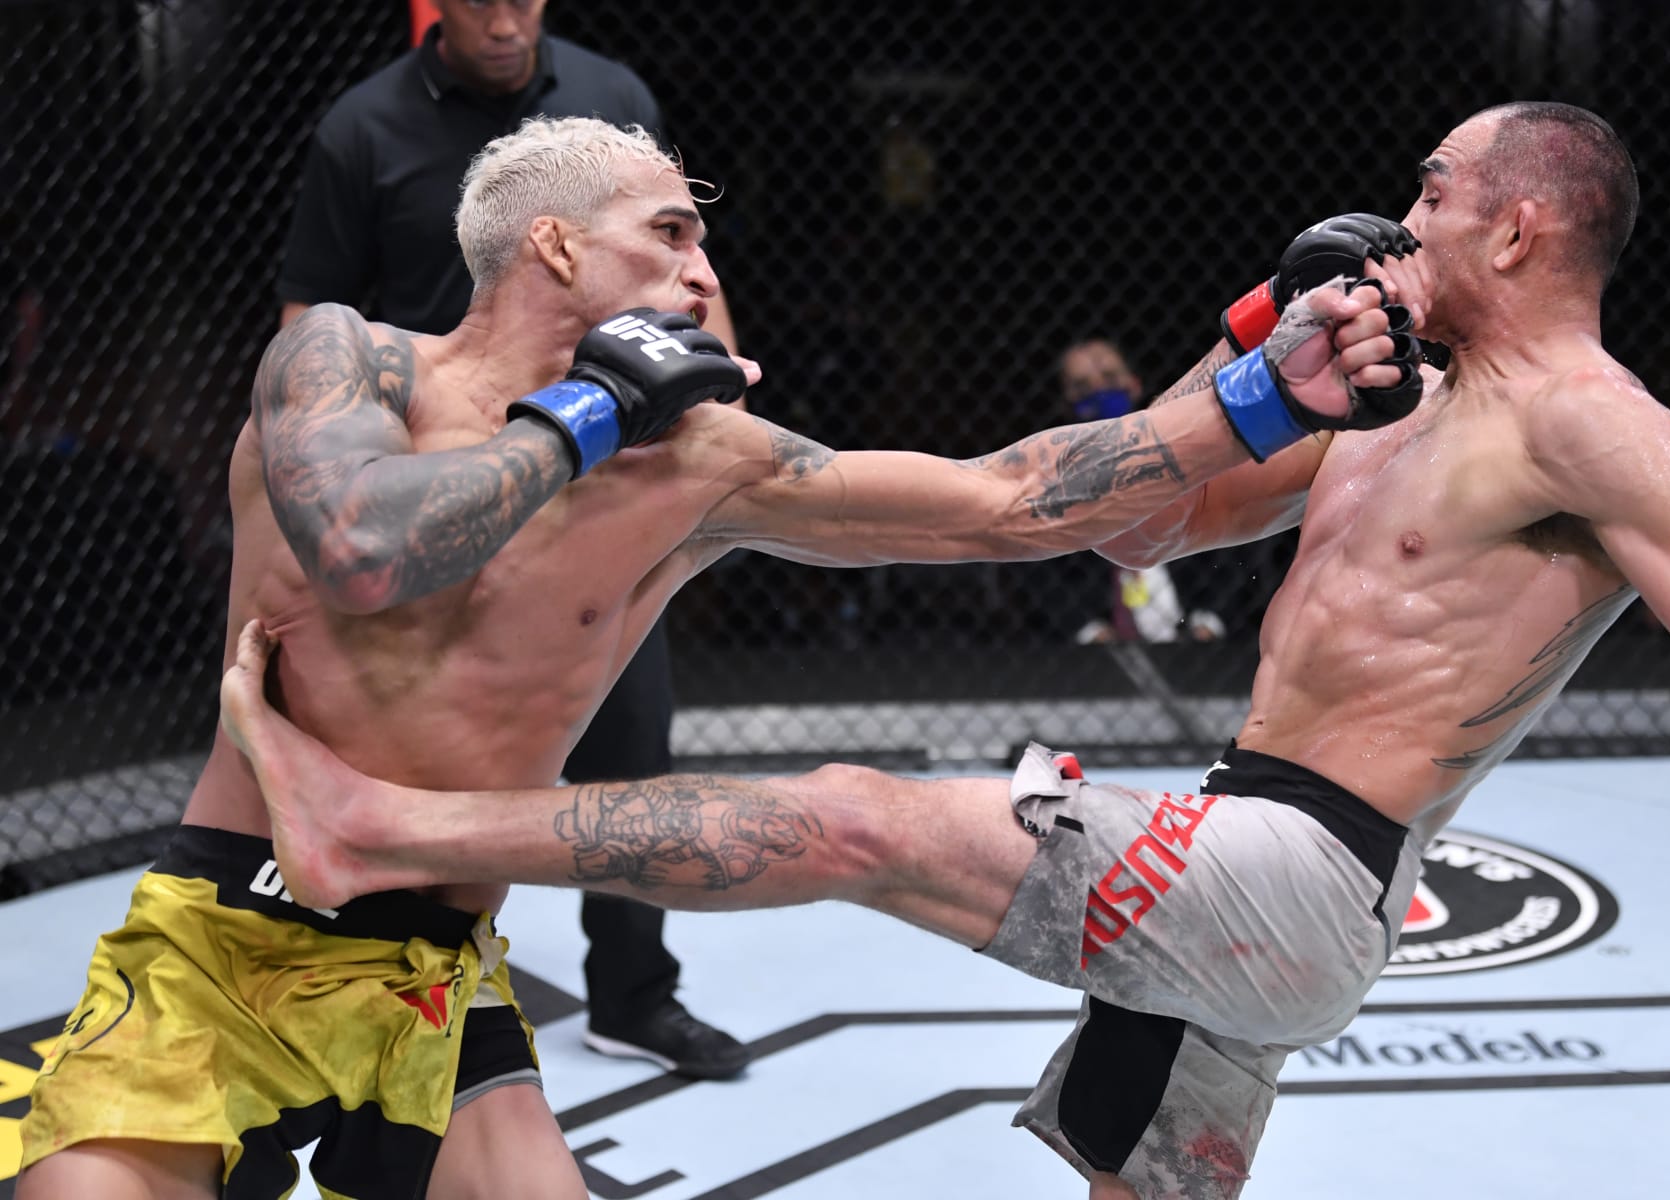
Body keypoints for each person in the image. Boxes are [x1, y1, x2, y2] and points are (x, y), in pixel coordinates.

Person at [212, 102, 1670, 1197]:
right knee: (1128, 1176)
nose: (1403, 216)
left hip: (1309, 867)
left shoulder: (1594, 427)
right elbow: (1130, 519)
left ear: (1521, 231)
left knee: (850, 814)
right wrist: (1260, 335)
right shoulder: (1401, 416)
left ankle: (378, 829)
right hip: (1235, 850)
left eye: (1437, 192)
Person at [17, 111, 1412, 1200]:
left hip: (436, 975)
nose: (705, 266)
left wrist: (1260, 382)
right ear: (555, 247)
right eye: (671, 229)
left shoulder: (697, 470)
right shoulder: (346, 362)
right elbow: (369, 552)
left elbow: (1007, 498)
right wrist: (581, 417)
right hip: (222, 939)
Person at [274, 0, 748, 1078]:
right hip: (444, 488)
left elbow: (681, 259)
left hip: (608, 480)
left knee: (631, 751)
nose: (504, 15)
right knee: (410, 754)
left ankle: (634, 996)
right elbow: (313, 313)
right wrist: (324, 462)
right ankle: (360, 993)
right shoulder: (364, 126)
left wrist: (718, 410)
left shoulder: (612, 96)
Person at [1056, 337, 1225, 643]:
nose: (1098, 391)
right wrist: (1088, 630)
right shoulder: (1053, 479)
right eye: (1082, 386)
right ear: (1067, 397)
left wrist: (1209, 621)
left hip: (1193, 632)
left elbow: (1231, 548)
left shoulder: (1186, 454)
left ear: (1133, 384)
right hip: (1093, 647)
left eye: (1108, 379)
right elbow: (1045, 581)